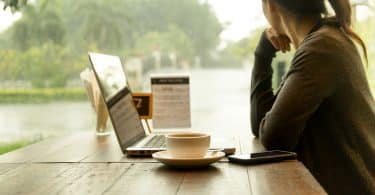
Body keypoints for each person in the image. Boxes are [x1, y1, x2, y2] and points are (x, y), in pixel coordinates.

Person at [251, 0, 375, 194]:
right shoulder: (326, 39)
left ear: (271, 5)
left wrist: (262, 54)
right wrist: (264, 52)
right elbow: (261, 124)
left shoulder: (320, 48)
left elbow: (274, 138)